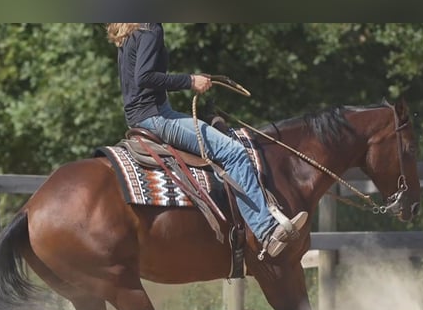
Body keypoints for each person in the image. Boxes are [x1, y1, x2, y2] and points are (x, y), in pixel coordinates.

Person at [107, 23, 307, 257]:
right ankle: (266, 231)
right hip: (156, 117)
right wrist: (190, 81)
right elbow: (145, 77)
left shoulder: (130, 31)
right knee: (234, 153)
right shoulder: (151, 28)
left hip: (139, 118)